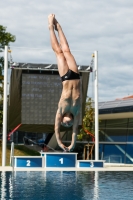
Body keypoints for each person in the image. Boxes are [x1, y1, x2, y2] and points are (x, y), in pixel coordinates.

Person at [48, 14, 80, 152]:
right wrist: (72, 144)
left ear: (62, 120)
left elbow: (56, 129)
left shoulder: (60, 111)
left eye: (65, 124)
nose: (69, 124)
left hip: (66, 77)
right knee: (67, 50)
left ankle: (50, 27)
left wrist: (61, 144)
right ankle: (59, 27)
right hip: (76, 76)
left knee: (59, 52)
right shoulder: (76, 112)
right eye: (70, 124)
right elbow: (74, 132)